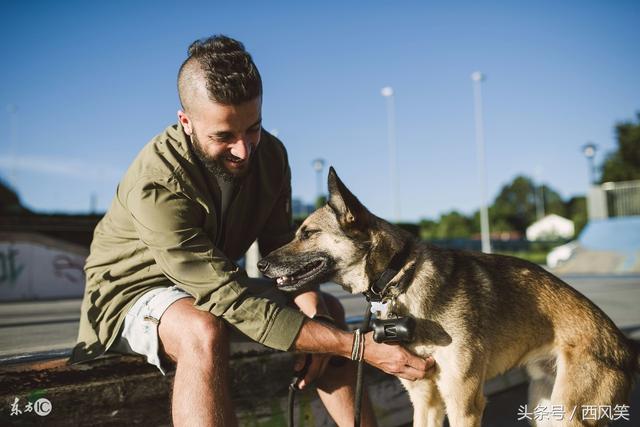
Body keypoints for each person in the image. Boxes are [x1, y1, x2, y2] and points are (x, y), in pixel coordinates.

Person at [70, 34, 433, 426]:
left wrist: (311, 305)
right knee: (201, 330)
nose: (243, 150)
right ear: (186, 123)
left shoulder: (271, 155)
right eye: (223, 136)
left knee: (326, 312)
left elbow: (284, 248)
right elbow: (224, 296)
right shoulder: (156, 183)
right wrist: (359, 348)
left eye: (252, 129)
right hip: (131, 294)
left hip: (209, 285)